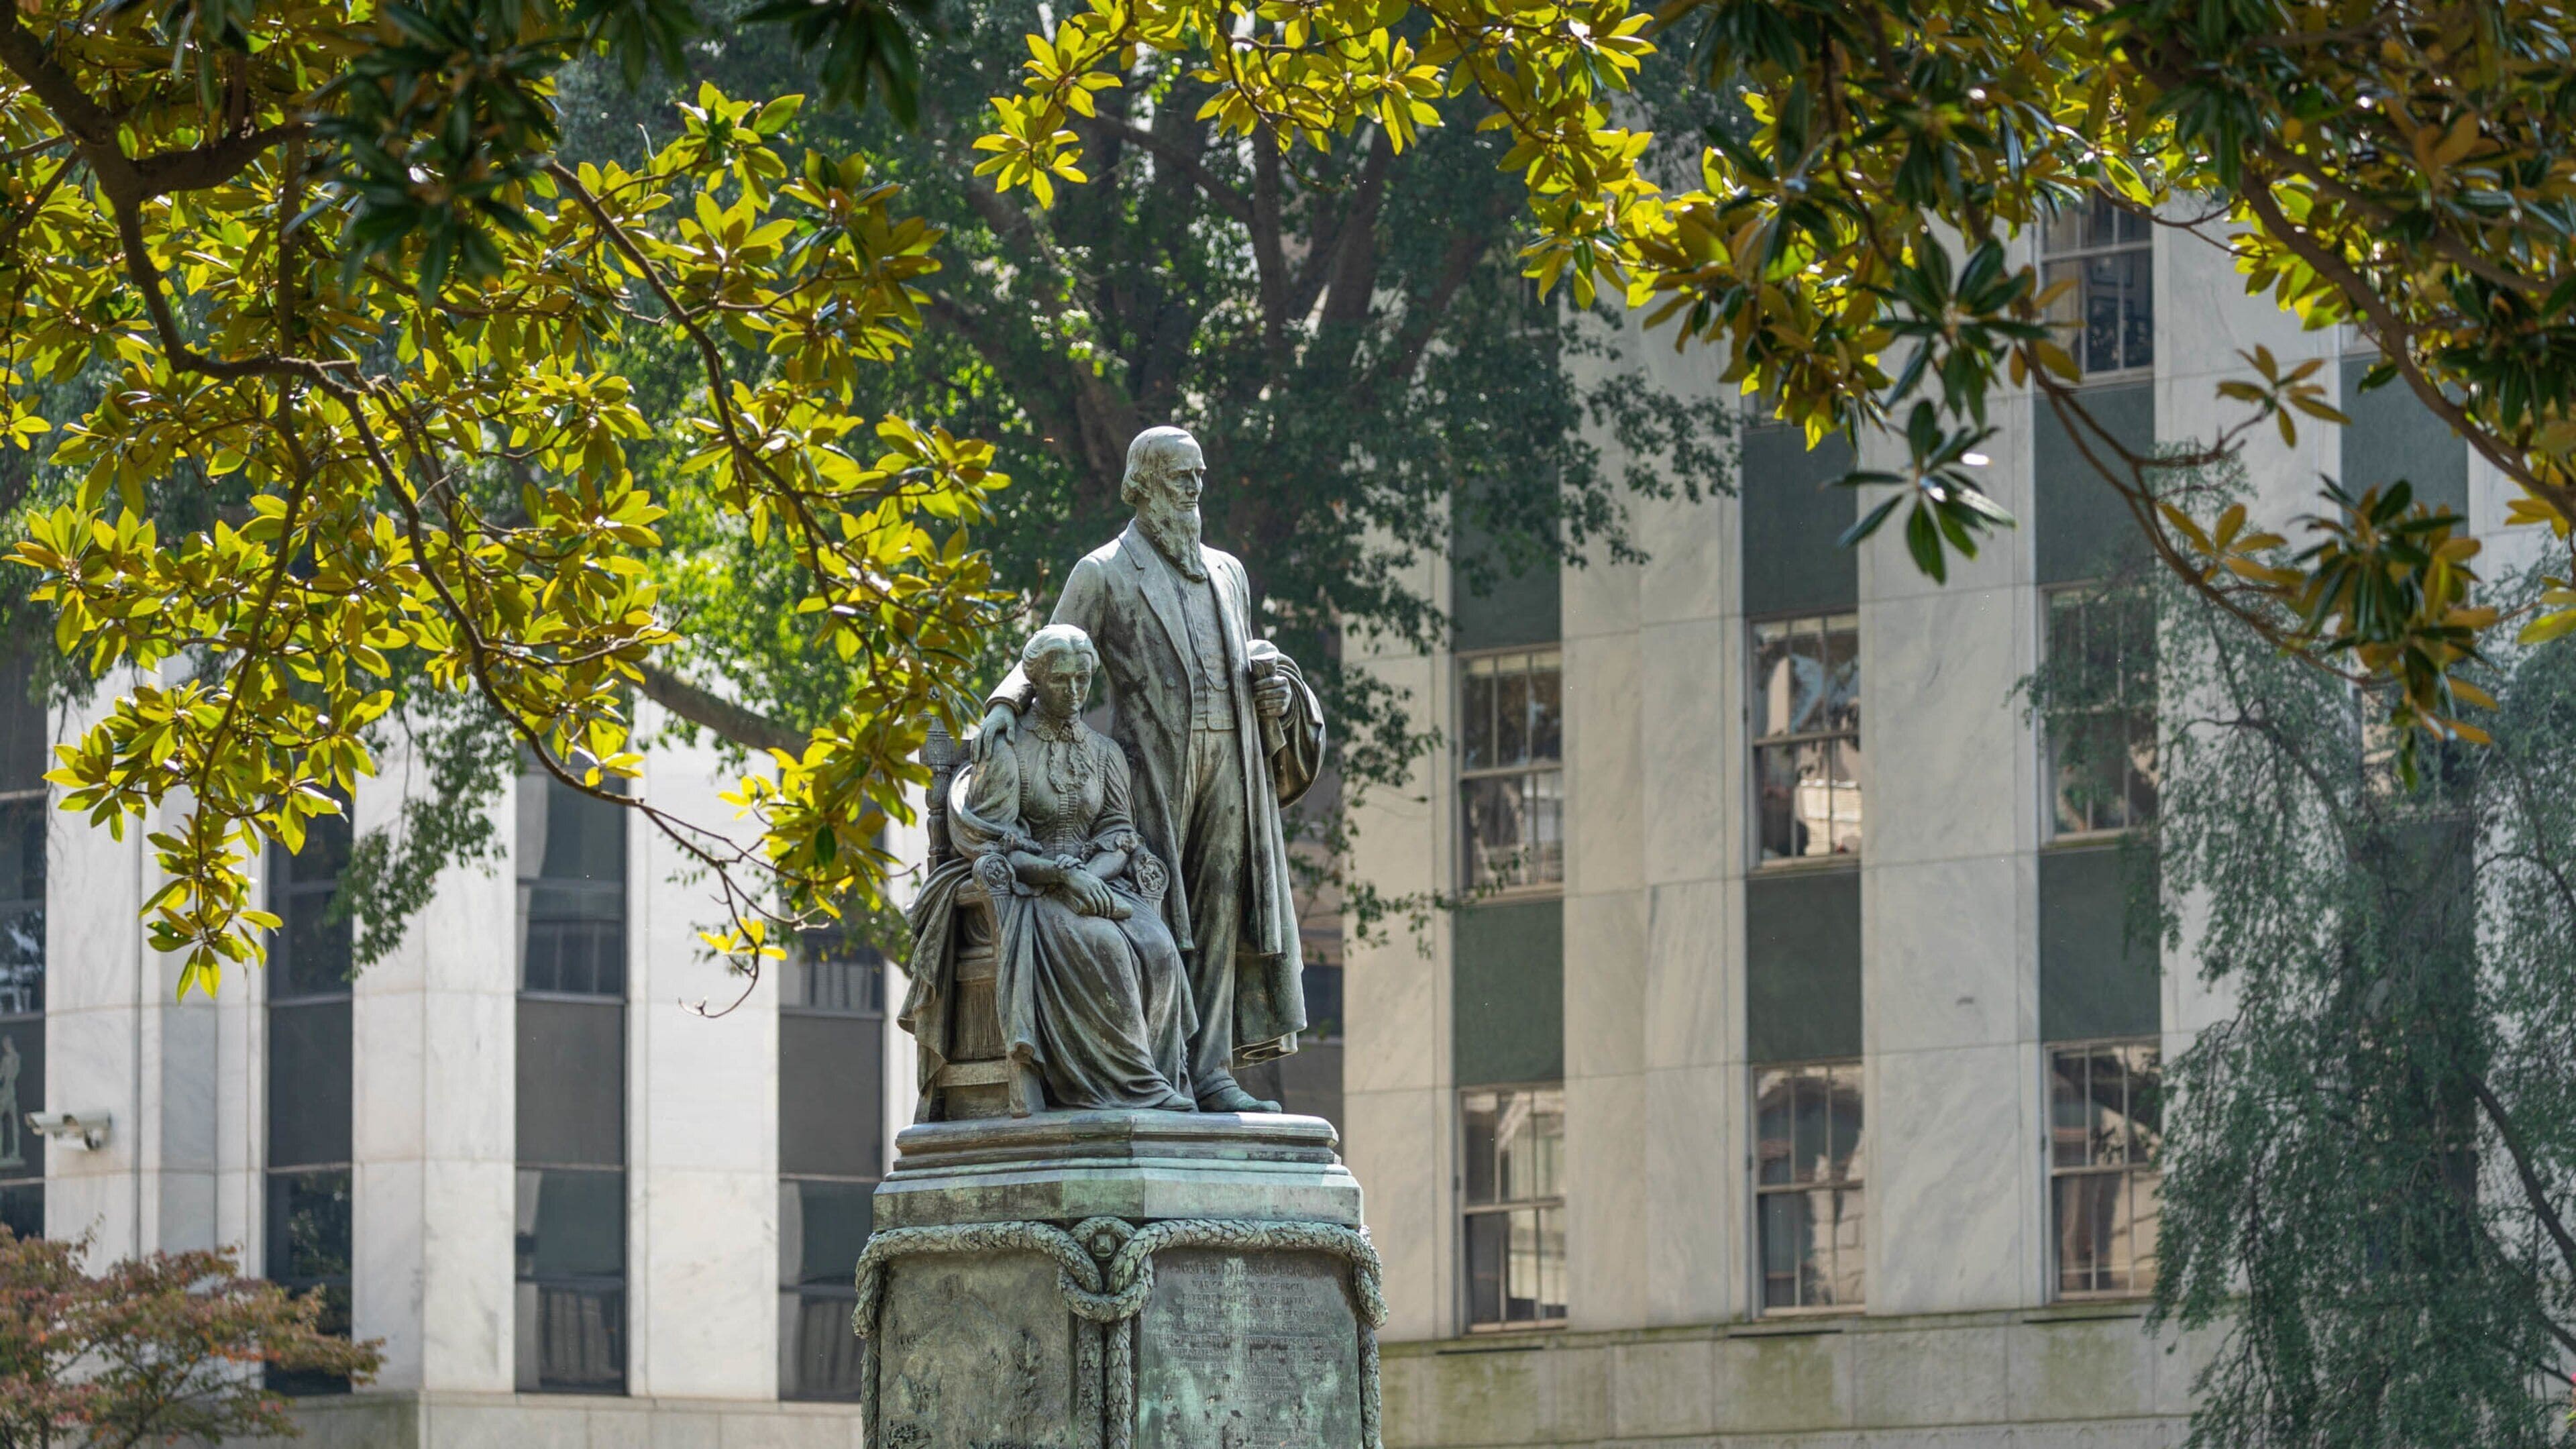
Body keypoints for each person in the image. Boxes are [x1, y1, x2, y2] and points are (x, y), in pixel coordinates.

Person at [977, 427, 1326, 1114]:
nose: (1194, 489)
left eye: (1199, 475)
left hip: (1233, 757)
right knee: (1165, 912)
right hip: (1148, 770)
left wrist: (1274, 691)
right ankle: (1163, 1074)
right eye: (1178, 476)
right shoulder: (1103, 570)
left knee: (1224, 904)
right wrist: (1002, 705)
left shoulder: (1227, 572)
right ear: (1141, 484)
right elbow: (1047, 651)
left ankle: (1213, 1069)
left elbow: (1237, 656)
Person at [902, 625, 1196, 1114]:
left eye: (1083, 680)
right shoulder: (1007, 747)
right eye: (1063, 681)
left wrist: (1093, 877)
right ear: (1035, 680)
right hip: (1030, 889)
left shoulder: (1104, 753)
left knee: (1159, 948)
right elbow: (993, 843)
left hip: (1098, 882)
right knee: (1106, 947)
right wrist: (1061, 877)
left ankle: (1162, 1080)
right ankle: (1127, 1087)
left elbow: (1120, 831)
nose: (1076, 691)